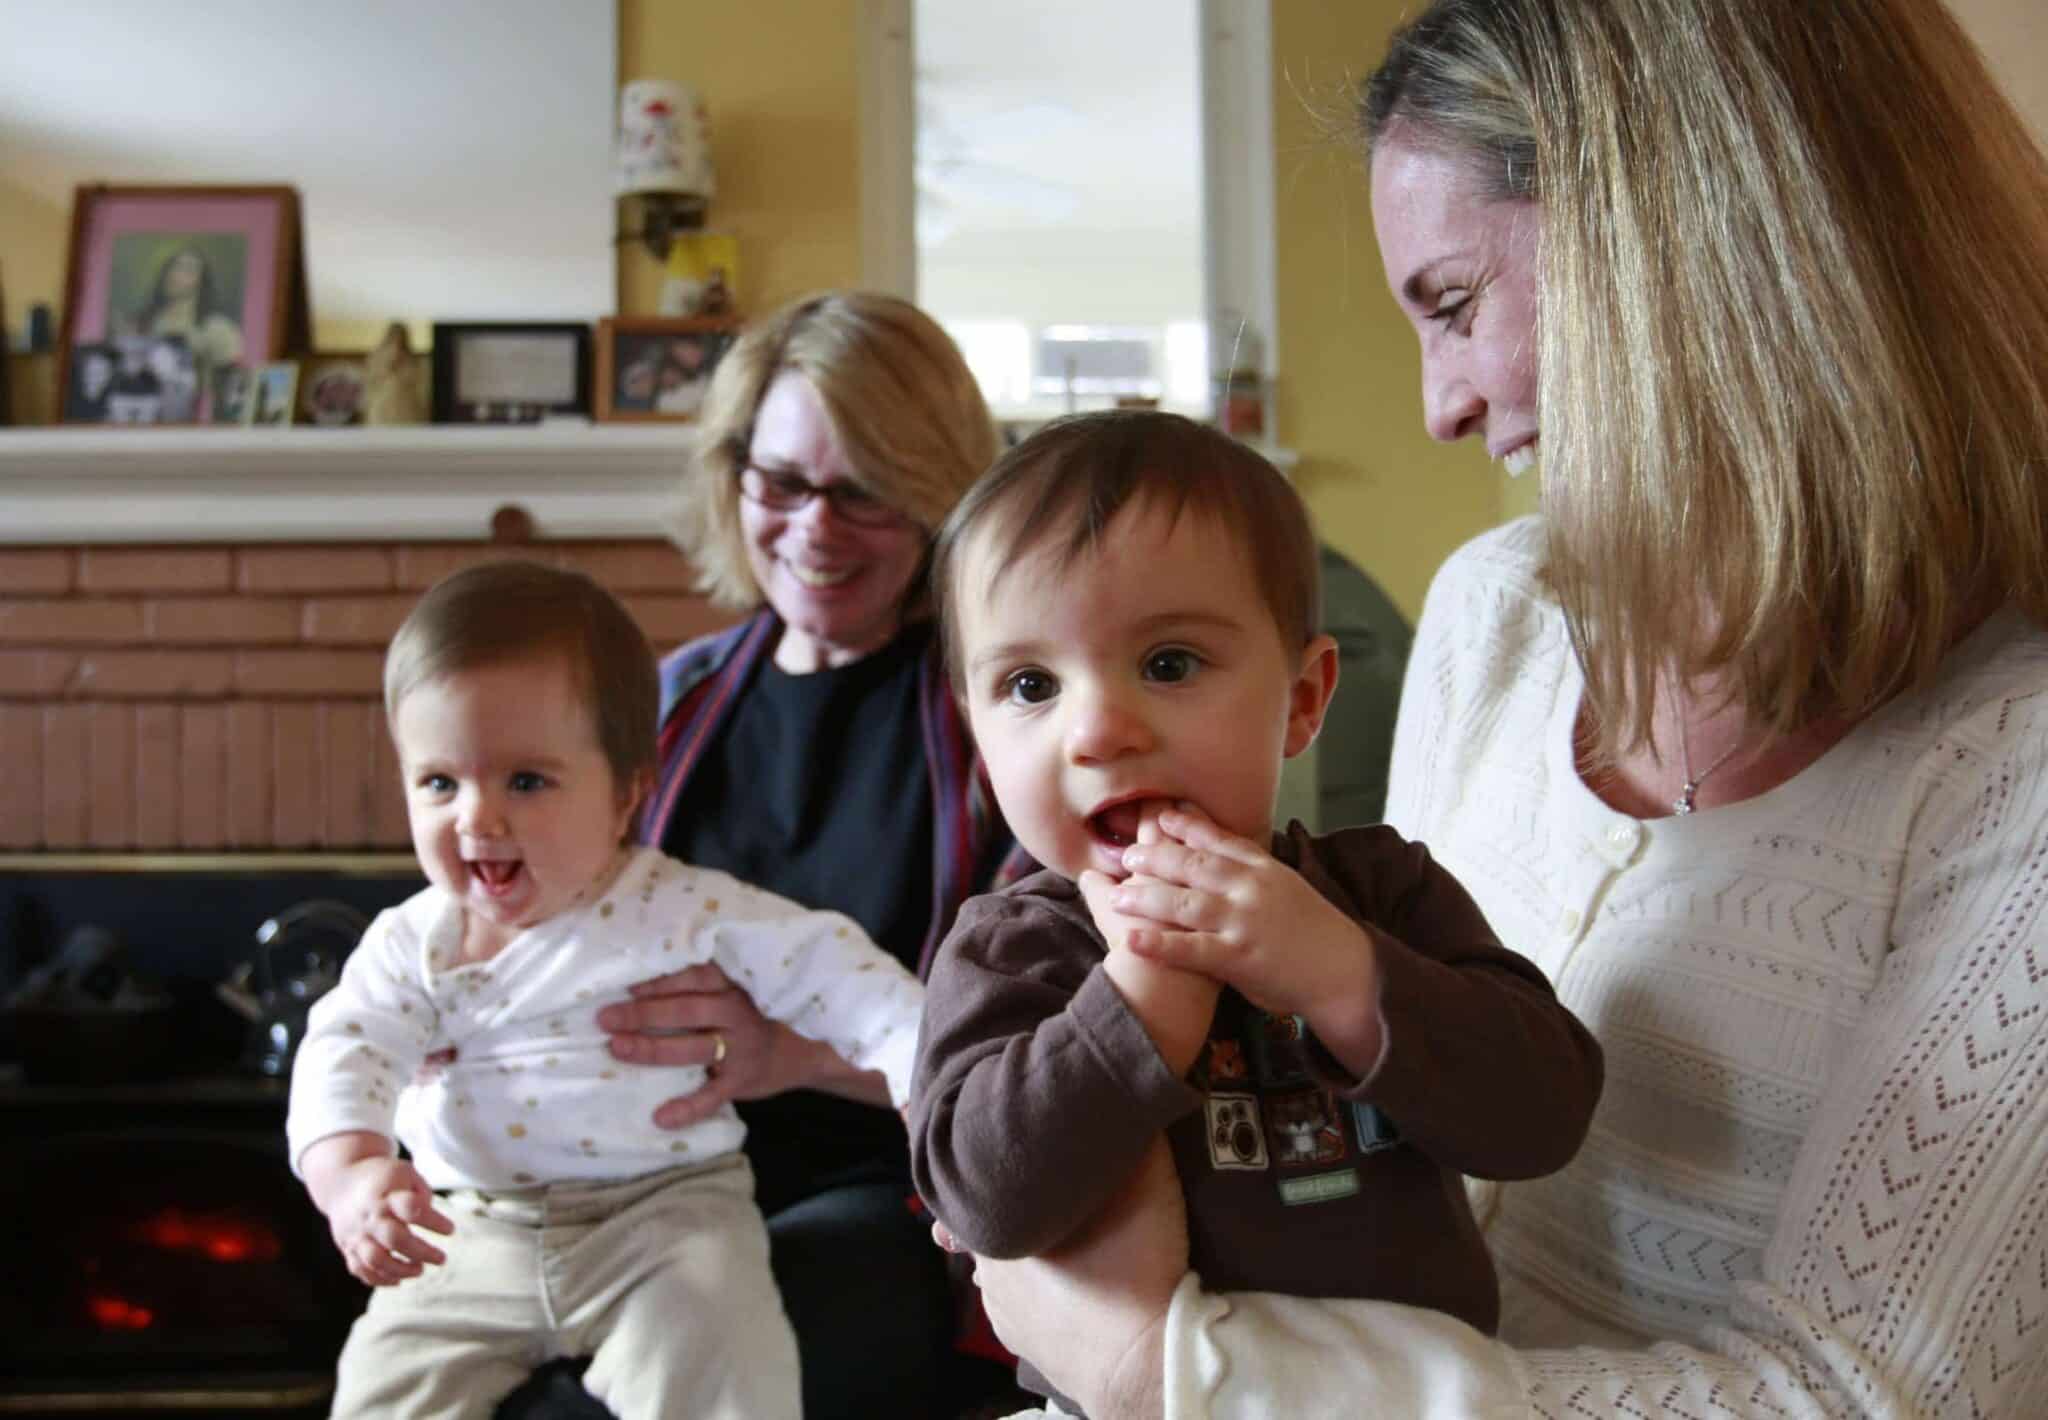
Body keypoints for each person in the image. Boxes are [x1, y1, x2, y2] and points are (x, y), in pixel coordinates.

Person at [955, 1, 2048, 1416]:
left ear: (1692, 251)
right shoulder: (1500, 610)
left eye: (1456, 305)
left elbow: (1868, 1395)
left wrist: (1171, 1370)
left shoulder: (2006, 761)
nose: (1439, 411)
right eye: (1028, 685)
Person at [910, 410, 1603, 1413]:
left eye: (1168, 663)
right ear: (976, 730)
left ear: (1304, 695)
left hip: (1415, 1394)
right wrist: (1135, 1008)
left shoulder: (1380, 893)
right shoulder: (1011, 949)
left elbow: (1542, 1118)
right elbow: (982, 1202)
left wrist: (1338, 973)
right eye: (1029, 684)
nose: (1097, 730)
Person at [285, 561, 927, 1420]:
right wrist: (356, 1177)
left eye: (526, 781)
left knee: (720, 1356)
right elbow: (345, 1051)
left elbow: (837, 977)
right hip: (472, 1231)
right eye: (440, 781)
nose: (477, 817)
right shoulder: (415, 943)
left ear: (627, 791)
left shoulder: (683, 909)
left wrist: (929, 1077)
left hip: (665, 1221)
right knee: (380, 1389)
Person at [594, 290, 1033, 1420]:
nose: (814, 530)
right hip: (647, 1178)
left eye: (864, 492)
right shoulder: (670, 705)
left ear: (938, 498)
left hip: (888, 1190)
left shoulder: (1001, 719)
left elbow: (1038, 1048)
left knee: (742, 1333)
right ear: (734, 472)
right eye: (782, 483)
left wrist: (787, 1051)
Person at [129, 244, 243, 371]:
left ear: (201, 280)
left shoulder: (218, 329)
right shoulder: (144, 322)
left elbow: (229, 375)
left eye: (187, 270)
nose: (175, 275)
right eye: (173, 267)